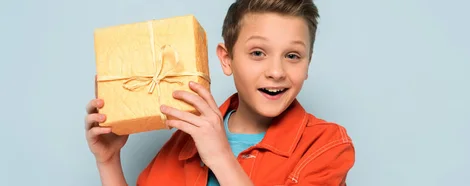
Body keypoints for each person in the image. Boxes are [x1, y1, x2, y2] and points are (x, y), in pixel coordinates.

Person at [84, 0, 355, 185]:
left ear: (308, 64)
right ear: (227, 59)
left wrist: (220, 157)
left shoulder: (327, 146)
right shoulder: (184, 141)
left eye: (293, 55)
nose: (276, 71)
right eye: (258, 53)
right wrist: (108, 161)